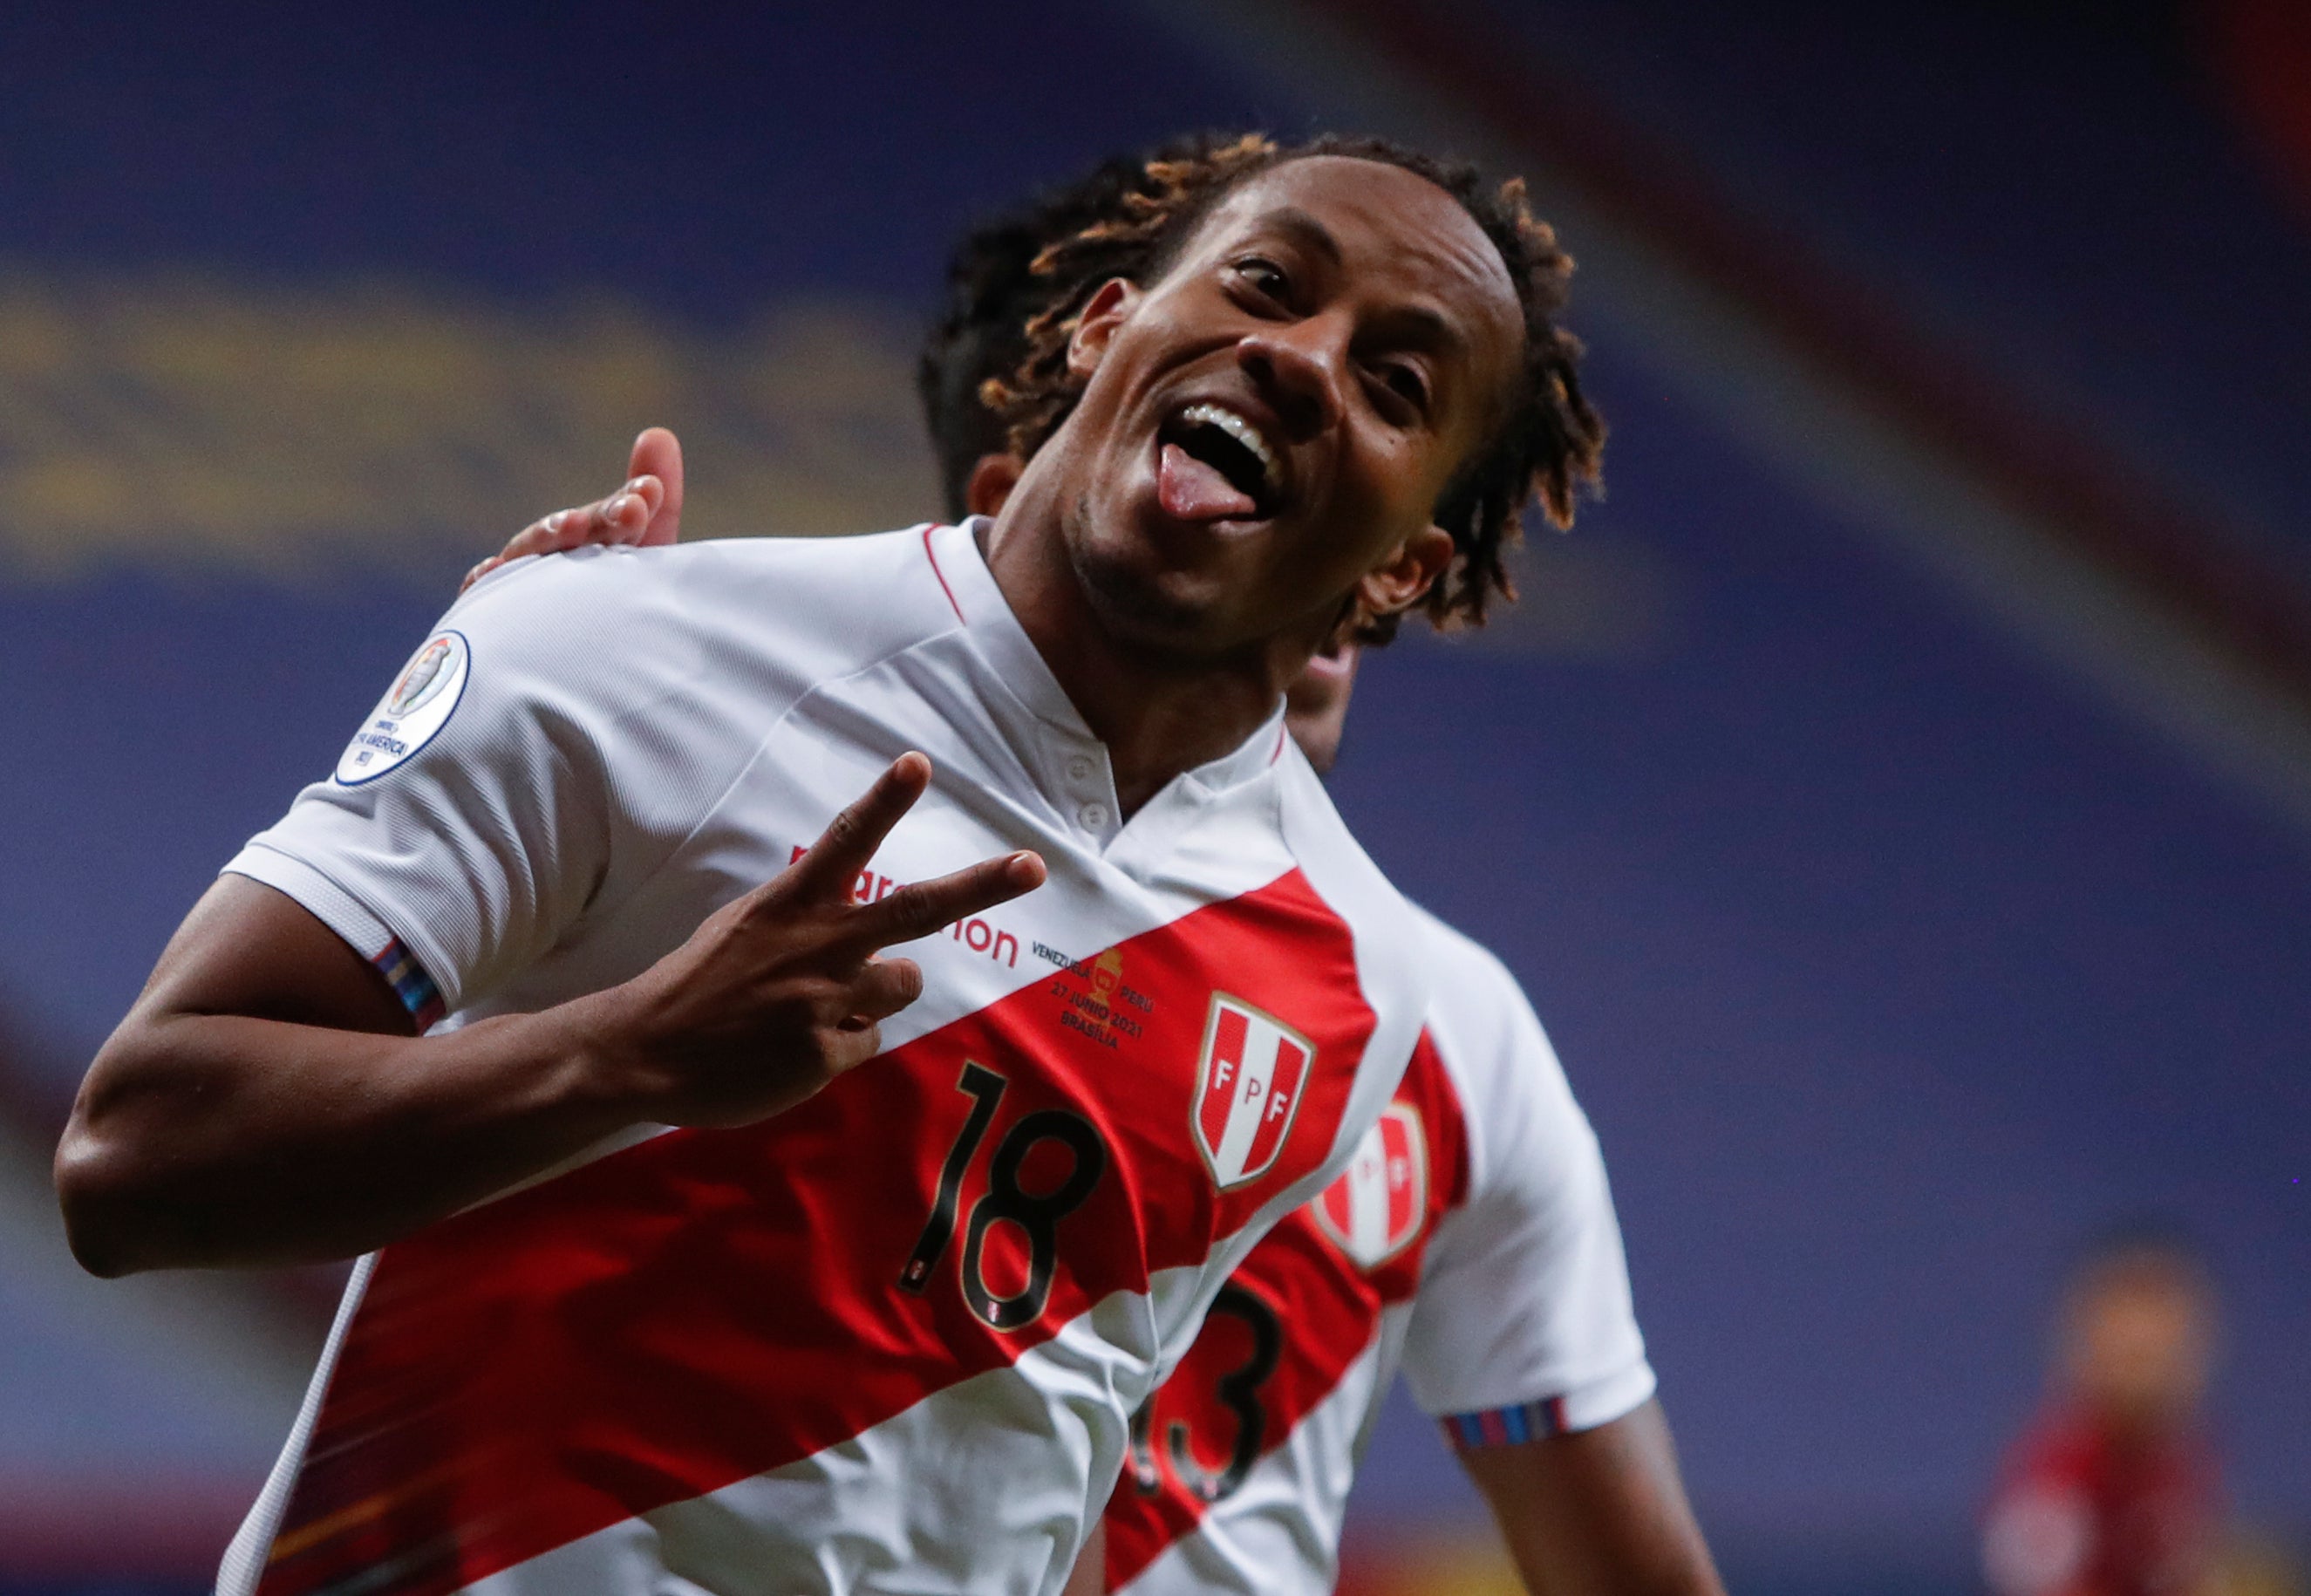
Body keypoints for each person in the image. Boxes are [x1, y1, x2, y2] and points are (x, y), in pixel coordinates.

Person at [56, 133, 1596, 1595]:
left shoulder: (1353, 984)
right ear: (1103, 329)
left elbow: (1042, 1460)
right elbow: (130, 1160)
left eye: (1394, 384)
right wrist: (626, 1053)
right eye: (1265, 282)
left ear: (1404, 568)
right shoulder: (631, 647)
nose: (1302, 357)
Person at [484, 142, 1720, 1596]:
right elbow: (315, 1132)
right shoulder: (734, 794)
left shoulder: (1431, 1025)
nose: (1294, 386)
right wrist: (552, 744)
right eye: (1254, 307)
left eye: (1381, 411)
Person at [1982, 1230, 2225, 1596]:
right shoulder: (2052, 1478)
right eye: (2133, 1355)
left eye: (2163, 1351)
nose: (2149, 1372)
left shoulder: (2183, 1466)